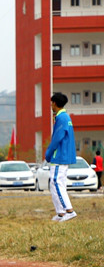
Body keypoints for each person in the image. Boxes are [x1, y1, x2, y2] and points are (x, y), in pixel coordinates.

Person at [45, 93, 77, 222]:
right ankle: (60, 213)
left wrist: (48, 153)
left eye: (51, 103)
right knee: (56, 183)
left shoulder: (62, 118)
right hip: (63, 156)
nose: (50, 105)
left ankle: (69, 210)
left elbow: (57, 138)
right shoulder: (64, 117)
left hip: (59, 156)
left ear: (54, 103)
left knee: (57, 182)